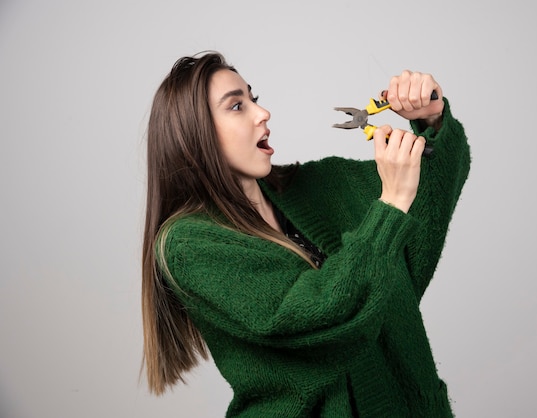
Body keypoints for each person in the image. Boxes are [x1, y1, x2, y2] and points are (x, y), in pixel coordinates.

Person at [141, 50, 470, 417]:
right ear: (193, 136)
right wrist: (390, 206)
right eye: (237, 107)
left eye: (254, 99)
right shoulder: (189, 244)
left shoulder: (321, 185)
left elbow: (429, 198)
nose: (262, 113)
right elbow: (321, 316)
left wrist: (432, 119)